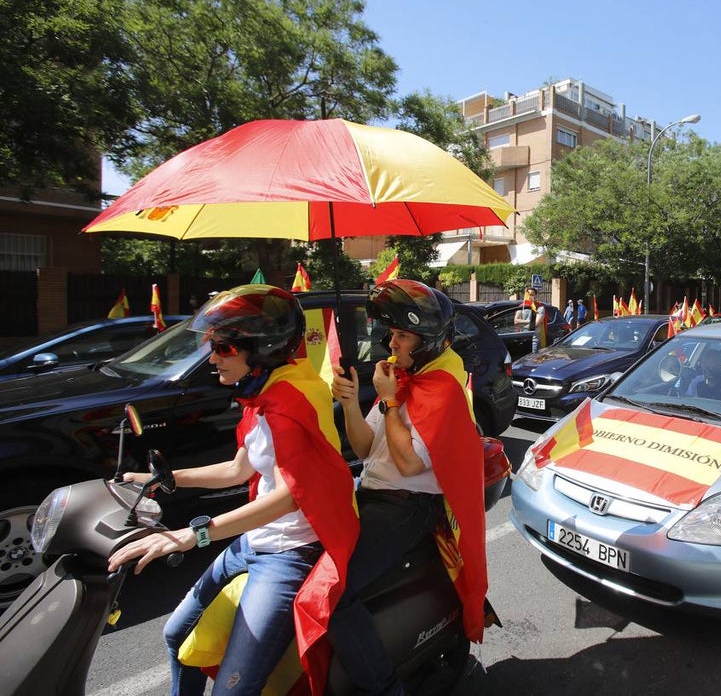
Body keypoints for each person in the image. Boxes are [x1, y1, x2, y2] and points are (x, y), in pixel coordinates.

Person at [108, 284, 359, 696]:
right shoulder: (265, 395)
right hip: (255, 541)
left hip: (289, 554)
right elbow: (239, 469)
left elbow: (290, 497)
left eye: (223, 348)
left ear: (260, 349)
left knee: (233, 689)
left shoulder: (291, 400)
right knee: (176, 635)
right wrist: (167, 479)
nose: (211, 358)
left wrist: (193, 535)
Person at [328, 279, 488, 696]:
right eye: (391, 334)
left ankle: (383, 688)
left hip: (407, 505)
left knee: (336, 591)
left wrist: (392, 400)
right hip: (371, 490)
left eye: (401, 335)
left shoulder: (442, 391)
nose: (391, 343)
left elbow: (409, 462)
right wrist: (349, 403)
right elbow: (366, 449)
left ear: (428, 342)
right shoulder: (400, 379)